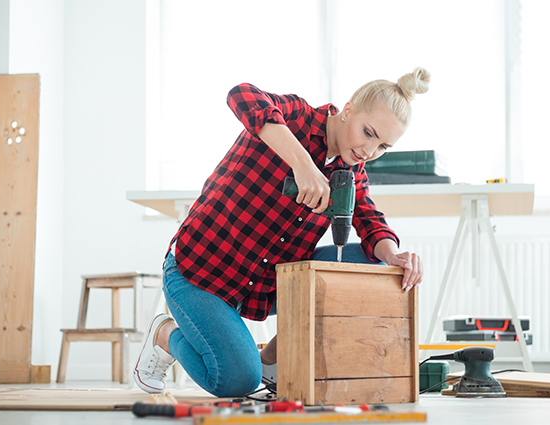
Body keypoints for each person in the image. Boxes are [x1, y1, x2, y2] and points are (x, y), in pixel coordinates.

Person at [134, 68, 430, 397]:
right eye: (368, 132)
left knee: (373, 265)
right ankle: (165, 334)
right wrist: (303, 164)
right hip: (200, 272)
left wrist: (393, 255)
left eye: (383, 146)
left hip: (263, 282)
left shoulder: (352, 170)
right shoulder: (296, 117)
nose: (370, 151)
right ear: (348, 111)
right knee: (238, 381)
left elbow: (369, 218)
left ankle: (274, 358)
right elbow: (241, 94)